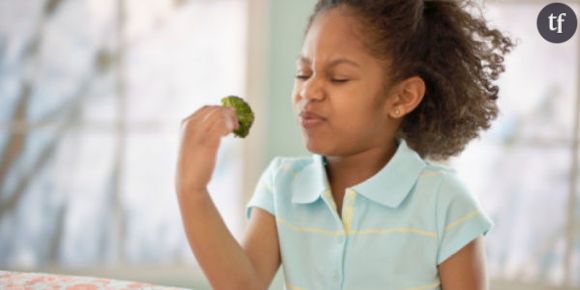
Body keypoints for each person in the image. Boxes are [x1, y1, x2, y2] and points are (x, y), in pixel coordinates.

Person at [175, 0, 515, 289]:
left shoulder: (446, 203)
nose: (309, 91)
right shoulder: (282, 185)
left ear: (402, 97)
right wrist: (192, 190)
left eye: (338, 78)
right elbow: (242, 284)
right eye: (303, 73)